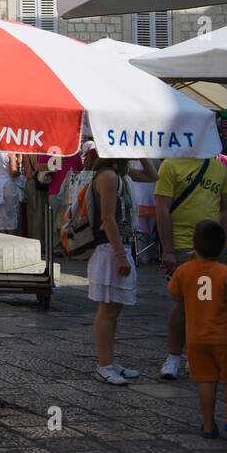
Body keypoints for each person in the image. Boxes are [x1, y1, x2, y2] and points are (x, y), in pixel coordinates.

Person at [167, 220, 227, 438]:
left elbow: (177, 296)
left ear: (193, 244)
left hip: (197, 338)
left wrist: (190, 267)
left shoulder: (183, 271)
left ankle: (208, 426)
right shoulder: (226, 273)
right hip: (226, 338)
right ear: (222, 246)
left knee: (206, 381)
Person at [157, 154, 227, 379]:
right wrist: (168, 249)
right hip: (183, 245)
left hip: (212, 248)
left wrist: (222, 240)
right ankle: (174, 357)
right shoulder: (170, 165)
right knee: (183, 303)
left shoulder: (219, 168)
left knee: (206, 303)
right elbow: (162, 208)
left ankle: (197, 355)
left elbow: (226, 207)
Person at [85, 157, 140, 384]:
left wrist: (143, 155)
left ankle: (109, 361)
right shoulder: (108, 175)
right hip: (110, 248)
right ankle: (104, 364)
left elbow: (152, 177)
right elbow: (107, 218)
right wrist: (120, 255)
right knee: (107, 309)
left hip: (119, 246)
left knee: (114, 309)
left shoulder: (120, 174)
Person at [0, 150, 23, 235]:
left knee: (0, 217)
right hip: (7, 185)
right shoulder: (10, 154)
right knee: (11, 215)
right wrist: (19, 171)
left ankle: (4, 240)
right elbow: (12, 173)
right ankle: (12, 239)